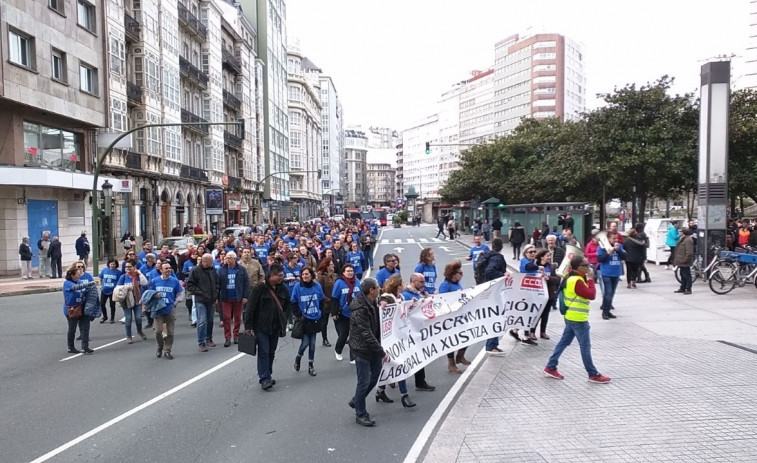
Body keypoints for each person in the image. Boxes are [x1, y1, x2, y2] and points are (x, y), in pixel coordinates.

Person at [543, 255, 611, 384]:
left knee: (564, 342)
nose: (589, 266)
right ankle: (593, 373)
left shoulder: (572, 277)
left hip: (571, 316)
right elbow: (591, 295)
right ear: (580, 267)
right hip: (578, 318)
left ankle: (551, 366)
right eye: (586, 265)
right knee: (585, 346)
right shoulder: (576, 280)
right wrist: (591, 279)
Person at [347, 277, 390, 427]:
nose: (380, 289)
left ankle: (357, 400)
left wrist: (381, 304)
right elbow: (366, 333)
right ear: (371, 290)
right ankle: (361, 414)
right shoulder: (360, 308)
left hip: (372, 348)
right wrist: (382, 352)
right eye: (377, 287)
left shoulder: (372, 302)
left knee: (375, 376)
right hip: (362, 349)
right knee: (363, 382)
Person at [243, 263, 289, 391]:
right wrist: (248, 326)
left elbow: (286, 304)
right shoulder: (260, 288)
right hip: (261, 326)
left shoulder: (282, 288)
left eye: (282, 275)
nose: (282, 277)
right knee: (263, 351)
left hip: (275, 326)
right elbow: (250, 308)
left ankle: (268, 373)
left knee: (271, 351)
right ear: (271, 275)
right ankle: (264, 378)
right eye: (279, 275)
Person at [374, 274, 416, 408]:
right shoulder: (387, 297)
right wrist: (382, 304)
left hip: (400, 334)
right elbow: (381, 303)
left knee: (394, 364)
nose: (404, 285)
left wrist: (412, 304)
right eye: (402, 283)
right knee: (398, 364)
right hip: (389, 337)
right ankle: (404, 395)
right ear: (398, 285)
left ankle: (381, 390)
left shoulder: (401, 297)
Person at [401, 273, 436, 391]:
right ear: (413, 281)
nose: (423, 284)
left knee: (420, 355)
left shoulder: (420, 294)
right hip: (408, 332)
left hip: (419, 330)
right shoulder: (405, 295)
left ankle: (420, 381)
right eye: (421, 282)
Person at [290, 267, 325, 377]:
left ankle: (311, 365)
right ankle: (298, 357)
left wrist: (320, 313)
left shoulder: (317, 286)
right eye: (303, 274)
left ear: (311, 275)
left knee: (313, 344)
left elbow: (321, 300)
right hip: (304, 319)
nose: (305, 276)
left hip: (315, 318)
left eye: (307, 274)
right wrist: (299, 315)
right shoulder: (298, 287)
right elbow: (293, 302)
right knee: (305, 343)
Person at [438, 260, 470, 373]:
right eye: (460, 273)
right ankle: (451, 363)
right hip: (450, 318)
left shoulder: (457, 284)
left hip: (460, 316)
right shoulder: (445, 285)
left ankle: (460, 356)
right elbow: (441, 301)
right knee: (451, 340)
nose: (462, 275)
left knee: (468, 335)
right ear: (453, 275)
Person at [147, 262, 184, 359]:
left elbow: (180, 293)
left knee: (170, 332)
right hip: (158, 309)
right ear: (161, 270)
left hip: (169, 308)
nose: (168, 270)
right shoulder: (155, 281)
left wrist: (175, 303)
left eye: (169, 268)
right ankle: (160, 347)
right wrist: (154, 295)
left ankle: (167, 350)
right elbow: (149, 293)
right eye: (166, 268)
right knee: (158, 331)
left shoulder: (174, 281)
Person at [187, 254, 220, 352]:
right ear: (205, 261)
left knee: (210, 320)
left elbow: (217, 282)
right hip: (200, 300)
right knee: (202, 321)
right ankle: (201, 342)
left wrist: (216, 292)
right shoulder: (195, 270)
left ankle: (209, 338)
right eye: (211, 261)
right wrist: (200, 292)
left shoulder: (212, 270)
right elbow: (190, 285)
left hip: (211, 299)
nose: (212, 263)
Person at [62, 262, 97, 354]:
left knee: (85, 327)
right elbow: (75, 288)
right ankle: (71, 347)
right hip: (71, 309)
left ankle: (85, 347)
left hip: (81, 307)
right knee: (72, 328)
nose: (79, 276)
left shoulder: (80, 281)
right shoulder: (67, 283)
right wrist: (89, 284)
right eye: (77, 275)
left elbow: (86, 292)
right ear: (72, 275)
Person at [218, 251, 250, 347]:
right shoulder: (222, 270)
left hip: (238, 297)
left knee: (237, 318)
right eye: (226, 258)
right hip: (226, 297)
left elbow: (246, 283)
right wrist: (217, 298)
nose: (227, 260)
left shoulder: (241, 270)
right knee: (226, 317)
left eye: (229, 258)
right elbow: (218, 283)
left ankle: (236, 335)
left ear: (234, 259)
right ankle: (227, 337)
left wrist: (245, 296)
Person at [332, 264, 360, 363]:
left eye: (351, 271)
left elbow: (360, 296)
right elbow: (334, 298)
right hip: (343, 312)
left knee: (354, 335)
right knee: (344, 334)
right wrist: (334, 313)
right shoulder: (339, 282)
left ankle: (353, 357)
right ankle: (338, 350)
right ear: (343, 272)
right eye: (348, 271)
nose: (350, 273)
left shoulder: (357, 281)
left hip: (355, 312)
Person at [115, 259, 149, 344]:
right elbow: (118, 288)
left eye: (130, 267)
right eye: (126, 267)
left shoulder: (138, 276)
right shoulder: (123, 277)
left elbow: (145, 283)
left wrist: (140, 273)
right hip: (127, 301)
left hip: (137, 300)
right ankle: (128, 336)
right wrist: (127, 288)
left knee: (138, 318)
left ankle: (139, 331)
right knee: (128, 318)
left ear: (134, 267)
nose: (127, 268)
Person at [484, 238, 508, 352]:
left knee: (493, 317)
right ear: (501, 247)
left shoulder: (486, 255)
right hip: (494, 291)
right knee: (496, 317)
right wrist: (502, 275)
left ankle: (492, 344)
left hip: (486, 289)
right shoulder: (498, 258)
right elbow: (490, 271)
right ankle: (491, 345)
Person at [596, 231, 625, 320]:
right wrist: (608, 253)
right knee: (608, 293)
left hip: (616, 272)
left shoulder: (619, 246)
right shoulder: (602, 247)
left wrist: (618, 250)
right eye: (614, 238)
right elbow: (600, 259)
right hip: (606, 272)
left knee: (612, 293)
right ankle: (604, 312)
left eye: (616, 238)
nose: (616, 240)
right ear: (608, 239)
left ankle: (608, 311)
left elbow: (625, 257)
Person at [315, 257, 337, 347]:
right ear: (327, 266)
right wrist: (327, 299)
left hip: (334, 301)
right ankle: (324, 339)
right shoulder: (321, 276)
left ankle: (342, 336)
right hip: (325, 302)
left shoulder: (334, 275)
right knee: (325, 322)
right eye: (331, 264)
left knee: (338, 320)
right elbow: (319, 290)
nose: (333, 266)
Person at [98, 258, 122, 323]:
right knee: (102, 304)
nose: (112, 265)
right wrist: (100, 285)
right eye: (111, 264)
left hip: (112, 291)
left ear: (116, 265)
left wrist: (117, 288)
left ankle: (112, 318)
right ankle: (105, 316)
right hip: (104, 290)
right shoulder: (104, 270)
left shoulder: (118, 272)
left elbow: (120, 281)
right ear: (108, 264)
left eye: (114, 264)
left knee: (112, 305)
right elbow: (100, 278)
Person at [674, 228, 695, 295]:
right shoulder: (683, 238)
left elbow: (689, 252)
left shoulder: (688, 240)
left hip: (685, 261)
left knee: (687, 275)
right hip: (681, 260)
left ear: (683, 232)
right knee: (682, 274)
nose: (680, 233)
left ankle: (688, 288)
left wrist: (684, 260)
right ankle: (683, 287)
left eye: (681, 231)